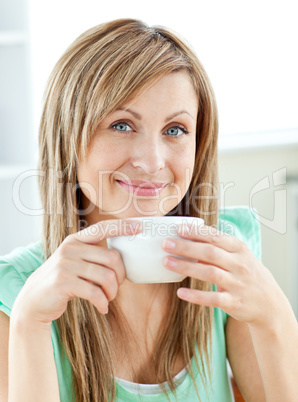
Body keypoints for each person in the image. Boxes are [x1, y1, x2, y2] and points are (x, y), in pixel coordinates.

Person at [0, 18, 297, 402]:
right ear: (67, 135)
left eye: (175, 129)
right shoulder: (14, 296)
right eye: (122, 124)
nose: (153, 161)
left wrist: (274, 313)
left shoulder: (223, 257)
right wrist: (30, 323)